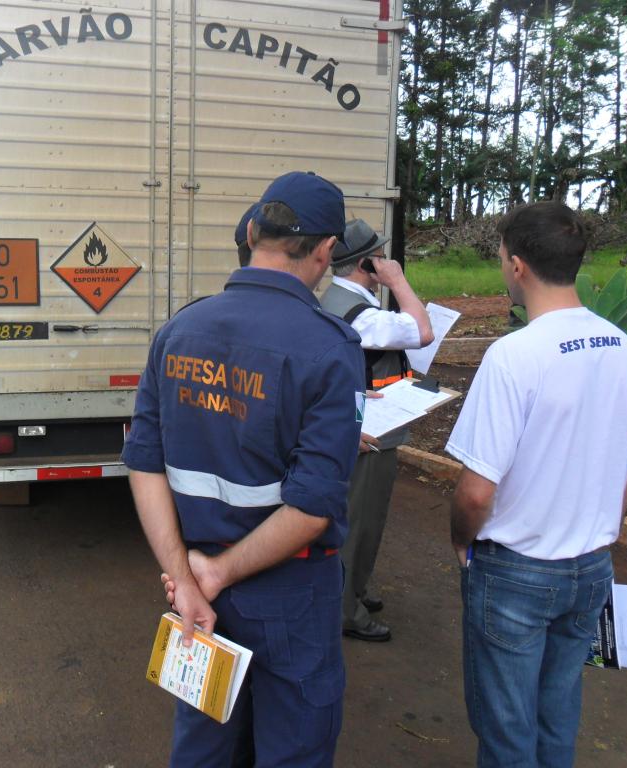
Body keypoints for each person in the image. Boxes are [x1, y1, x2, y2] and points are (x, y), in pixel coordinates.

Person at [123, 171, 364, 767]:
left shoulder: (178, 331)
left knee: (203, 747)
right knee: (293, 750)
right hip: (290, 592)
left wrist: (185, 579)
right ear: (326, 250)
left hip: (197, 590)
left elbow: (144, 465)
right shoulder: (329, 347)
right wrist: (217, 573)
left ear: (253, 231)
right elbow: (311, 509)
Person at [444, 201, 627, 767]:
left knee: (506, 728)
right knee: (558, 713)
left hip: (516, 570)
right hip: (592, 564)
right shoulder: (625, 349)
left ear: (517, 266)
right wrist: (603, 530)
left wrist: (461, 541)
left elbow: (476, 491)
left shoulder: (514, 356)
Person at [319, 219, 434, 642]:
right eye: (380, 255)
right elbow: (423, 331)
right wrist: (398, 281)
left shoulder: (338, 300)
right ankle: (347, 609)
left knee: (362, 519)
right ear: (367, 263)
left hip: (361, 427)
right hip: (370, 435)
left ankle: (356, 588)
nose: (387, 261)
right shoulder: (361, 314)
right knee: (360, 522)